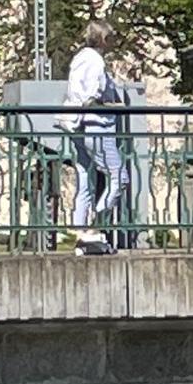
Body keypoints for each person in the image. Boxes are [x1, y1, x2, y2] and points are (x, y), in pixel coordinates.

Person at [62, 20, 126, 251]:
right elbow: (91, 98)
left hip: (77, 125)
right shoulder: (95, 61)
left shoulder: (79, 58)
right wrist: (114, 107)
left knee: (85, 180)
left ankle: (81, 233)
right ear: (103, 40)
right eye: (110, 39)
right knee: (119, 177)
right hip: (97, 126)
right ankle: (97, 225)